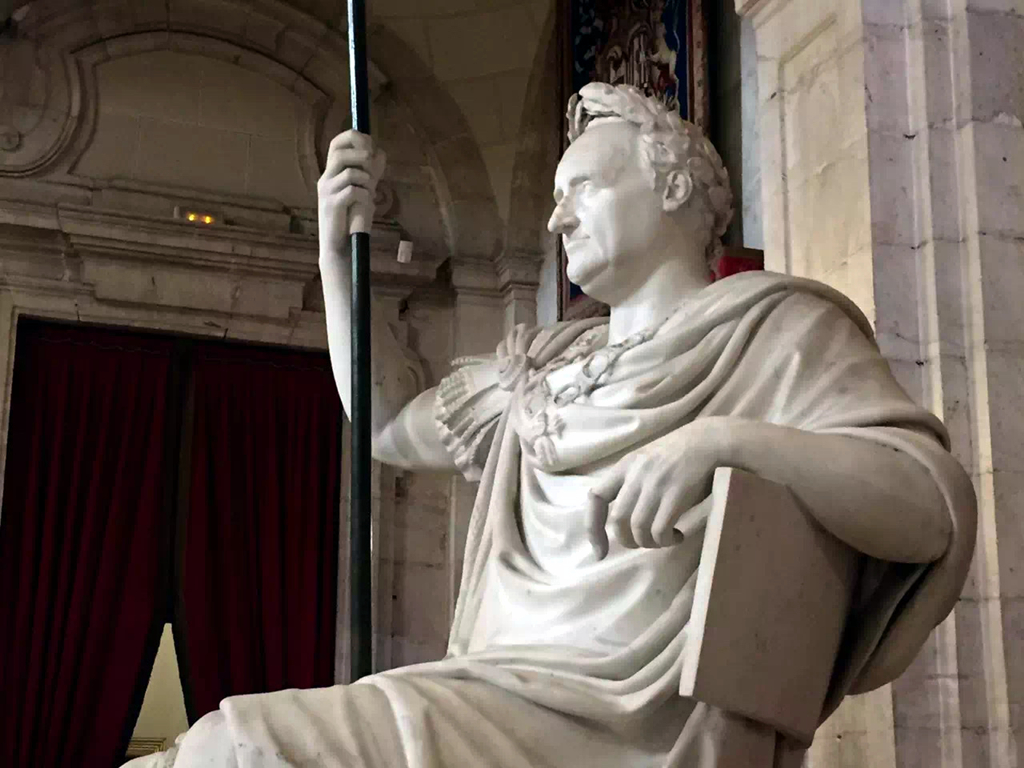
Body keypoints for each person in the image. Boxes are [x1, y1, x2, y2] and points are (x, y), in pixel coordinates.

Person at [126, 82, 975, 767]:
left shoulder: (775, 334)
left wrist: (730, 441)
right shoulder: (540, 372)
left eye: (582, 190)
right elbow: (385, 426)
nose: (556, 218)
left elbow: (925, 507)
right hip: (495, 699)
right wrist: (335, 256)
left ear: (673, 187)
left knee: (234, 749)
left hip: (638, 729)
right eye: (556, 197)